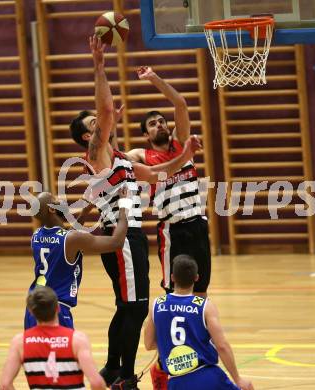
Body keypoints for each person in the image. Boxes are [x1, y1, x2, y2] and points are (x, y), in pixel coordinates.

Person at [69, 36, 201, 390]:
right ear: (88, 138)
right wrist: (98, 65)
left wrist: (186, 153)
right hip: (121, 236)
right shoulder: (98, 154)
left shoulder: (122, 158)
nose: (100, 122)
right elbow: (108, 112)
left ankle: (114, 369)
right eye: (93, 123)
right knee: (136, 306)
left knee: (127, 306)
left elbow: (161, 172)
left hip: (130, 236)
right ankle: (126, 377)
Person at [126, 66, 212, 388]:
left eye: (161, 120)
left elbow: (181, 105)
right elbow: (125, 159)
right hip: (171, 231)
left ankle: (192, 353)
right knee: (168, 295)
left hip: (198, 226)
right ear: (146, 134)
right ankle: (160, 362)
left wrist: (154, 79)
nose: (160, 124)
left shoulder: (181, 143)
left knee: (199, 294)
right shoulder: (142, 155)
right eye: (152, 123)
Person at [144, 255, 254, 390]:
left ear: (172, 278)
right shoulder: (205, 306)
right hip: (207, 377)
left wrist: (171, 345)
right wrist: (238, 379)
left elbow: (149, 344)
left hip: (176, 383)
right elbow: (222, 346)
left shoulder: (157, 304)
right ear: (196, 278)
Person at [24, 188, 129, 330]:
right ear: (52, 210)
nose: (61, 201)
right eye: (55, 200)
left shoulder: (36, 236)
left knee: (35, 352)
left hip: (33, 309)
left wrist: (84, 213)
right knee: (64, 353)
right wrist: (124, 206)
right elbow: (116, 242)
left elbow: (67, 238)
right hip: (55, 310)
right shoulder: (71, 239)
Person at [0, 286, 106, 390]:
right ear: (58, 308)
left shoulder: (20, 342)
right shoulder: (77, 340)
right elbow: (97, 383)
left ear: (31, 312)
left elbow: (5, 385)